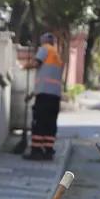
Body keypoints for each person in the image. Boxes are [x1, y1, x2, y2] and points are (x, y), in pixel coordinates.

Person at [28, 33, 64, 161]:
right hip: (55, 96)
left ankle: (36, 151)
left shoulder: (45, 49)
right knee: (50, 123)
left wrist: (25, 66)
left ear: (44, 41)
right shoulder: (57, 55)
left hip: (44, 95)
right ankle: (48, 150)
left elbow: (36, 63)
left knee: (39, 122)